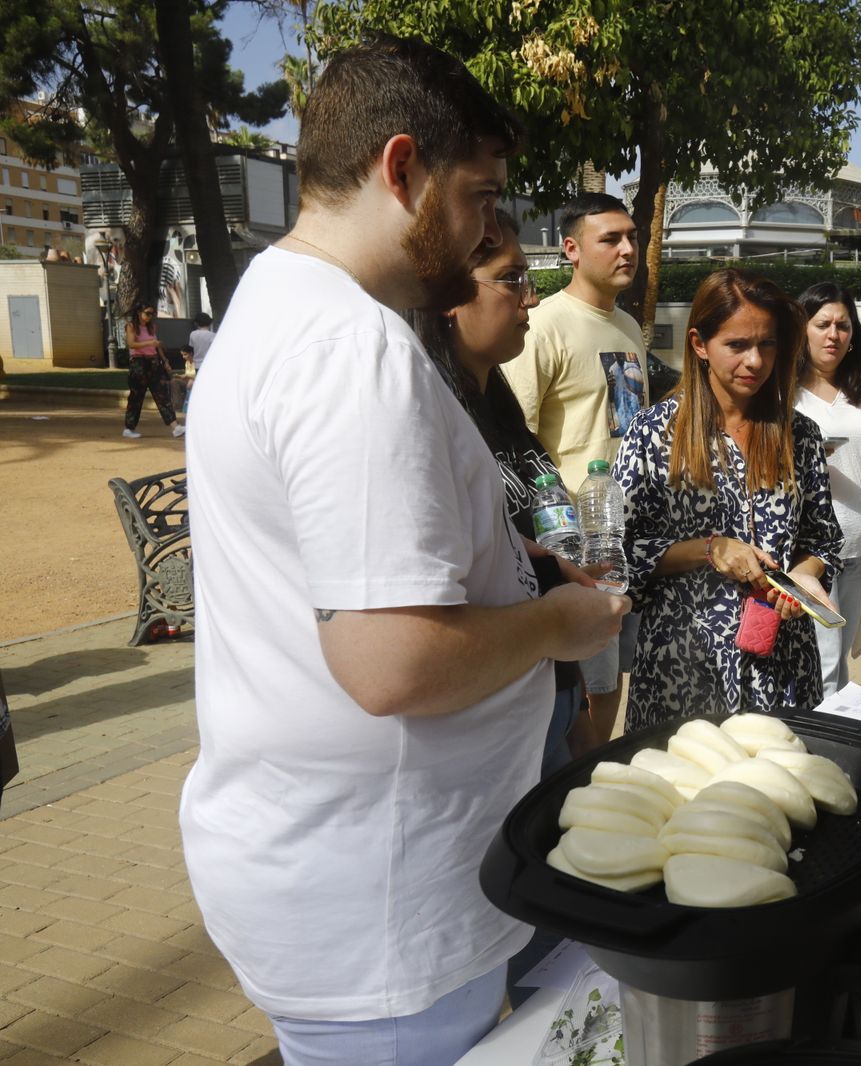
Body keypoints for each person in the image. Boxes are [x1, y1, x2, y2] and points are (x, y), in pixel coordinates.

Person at [179, 36, 629, 1066]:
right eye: (477, 197)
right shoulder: (355, 347)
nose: (484, 232)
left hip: (345, 880)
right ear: (401, 169)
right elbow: (391, 663)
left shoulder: (279, 300)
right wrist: (557, 623)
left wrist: (512, 570)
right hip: (380, 905)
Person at [406, 208, 597, 768]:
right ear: (450, 296)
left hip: (552, 685)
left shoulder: (499, 406)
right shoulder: (429, 420)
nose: (530, 299)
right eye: (512, 279)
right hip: (493, 715)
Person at [614, 268, 843, 730]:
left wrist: (803, 577)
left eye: (767, 344)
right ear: (699, 344)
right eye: (737, 345)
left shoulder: (800, 435)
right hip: (684, 668)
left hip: (782, 666)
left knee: (780, 772)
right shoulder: (653, 433)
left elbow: (823, 541)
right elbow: (620, 556)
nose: (755, 361)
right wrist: (709, 549)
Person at [504, 191, 648, 744]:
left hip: (628, 532)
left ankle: (596, 769)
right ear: (571, 249)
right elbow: (514, 441)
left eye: (632, 237)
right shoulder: (543, 326)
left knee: (612, 681)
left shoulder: (628, 325)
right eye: (610, 239)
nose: (627, 249)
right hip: (574, 545)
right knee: (585, 686)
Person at [795, 283, 861, 696]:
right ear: (802, 329)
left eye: (842, 325)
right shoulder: (785, 394)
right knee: (820, 663)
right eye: (822, 324)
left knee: (838, 658)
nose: (833, 335)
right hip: (811, 554)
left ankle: (831, 726)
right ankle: (821, 731)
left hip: (860, 546)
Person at [122, 305, 183, 439]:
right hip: (138, 363)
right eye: (147, 313)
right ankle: (129, 428)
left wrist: (165, 360)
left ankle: (175, 427)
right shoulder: (131, 326)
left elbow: (156, 346)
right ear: (139, 312)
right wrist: (150, 343)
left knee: (162, 394)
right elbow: (131, 344)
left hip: (153, 362)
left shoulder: (152, 327)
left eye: (152, 314)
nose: (150, 316)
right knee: (136, 396)